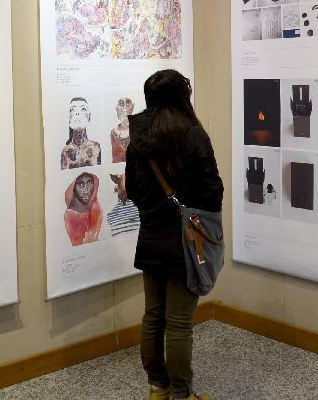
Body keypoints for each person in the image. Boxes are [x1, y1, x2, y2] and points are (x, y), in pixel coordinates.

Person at [126, 70, 223, 400]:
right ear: (180, 95)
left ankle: (158, 387)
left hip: (151, 234)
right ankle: (182, 394)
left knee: (153, 315)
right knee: (179, 323)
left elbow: (135, 189)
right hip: (185, 240)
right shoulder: (193, 133)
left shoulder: (138, 135)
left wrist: (154, 209)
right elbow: (213, 190)